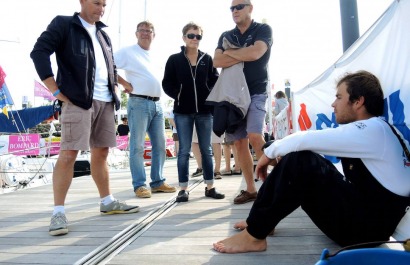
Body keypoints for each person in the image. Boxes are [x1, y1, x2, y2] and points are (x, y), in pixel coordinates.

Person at [213, 70, 410, 253]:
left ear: (358, 101)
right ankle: (264, 222)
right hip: (366, 223)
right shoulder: (377, 132)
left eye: (339, 97)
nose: (333, 104)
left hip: (365, 234)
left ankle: (255, 236)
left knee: (301, 160)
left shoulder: (373, 130)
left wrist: (269, 153)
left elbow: (304, 138)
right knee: (301, 159)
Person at [30, 0, 139, 236]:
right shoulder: (64, 24)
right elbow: (38, 53)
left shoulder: (103, 35)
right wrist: (55, 90)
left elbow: (107, 67)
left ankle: (107, 201)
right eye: (96, 2)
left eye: (104, 4)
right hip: (77, 101)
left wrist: (121, 84)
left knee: (102, 152)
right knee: (69, 153)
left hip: (106, 101)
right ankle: (58, 212)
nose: (101, 8)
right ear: (82, 1)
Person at [213, 0, 273, 204]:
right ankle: (250, 189)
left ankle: (276, 184)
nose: (235, 10)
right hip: (232, 97)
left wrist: (229, 52)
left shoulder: (263, 29)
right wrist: (243, 54)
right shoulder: (226, 35)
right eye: (232, 8)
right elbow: (217, 61)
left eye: (239, 6)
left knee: (255, 136)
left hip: (256, 91)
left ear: (250, 8)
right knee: (239, 143)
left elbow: (256, 53)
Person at [162, 22, 225, 202]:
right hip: (182, 111)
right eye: (191, 35)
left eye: (198, 36)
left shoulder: (207, 59)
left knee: (206, 149)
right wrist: (178, 94)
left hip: (205, 111)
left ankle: (210, 186)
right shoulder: (174, 59)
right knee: (184, 151)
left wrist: (211, 96)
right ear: (184, 38)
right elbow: (167, 83)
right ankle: (183, 189)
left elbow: (216, 81)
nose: (194, 39)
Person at [114, 21, 176, 198]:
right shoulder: (127, 52)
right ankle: (139, 185)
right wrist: (124, 83)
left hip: (157, 104)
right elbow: (108, 64)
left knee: (160, 145)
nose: (145, 33)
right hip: (139, 102)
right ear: (136, 34)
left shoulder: (155, 54)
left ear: (153, 35)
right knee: (138, 146)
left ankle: (157, 182)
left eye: (148, 31)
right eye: (141, 31)